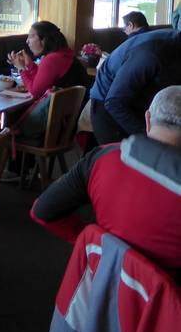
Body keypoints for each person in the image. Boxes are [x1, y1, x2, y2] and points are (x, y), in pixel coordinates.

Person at [31, 85, 181, 272]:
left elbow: (42, 211)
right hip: (165, 289)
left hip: (101, 278)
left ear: (148, 120)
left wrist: (94, 242)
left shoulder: (104, 156)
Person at [89, 28, 181, 144]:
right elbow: (114, 103)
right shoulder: (151, 54)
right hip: (108, 105)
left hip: (142, 101)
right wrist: (149, 138)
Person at [6, 21, 90, 141]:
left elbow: (35, 92)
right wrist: (30, 66)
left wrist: (21, 69)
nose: (27, 41)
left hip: (54, 130)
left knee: (10, 123)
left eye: (31, 36)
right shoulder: (64, 54)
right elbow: (42, 82)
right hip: (70, 123)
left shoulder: (52, 59)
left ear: (44, 40)